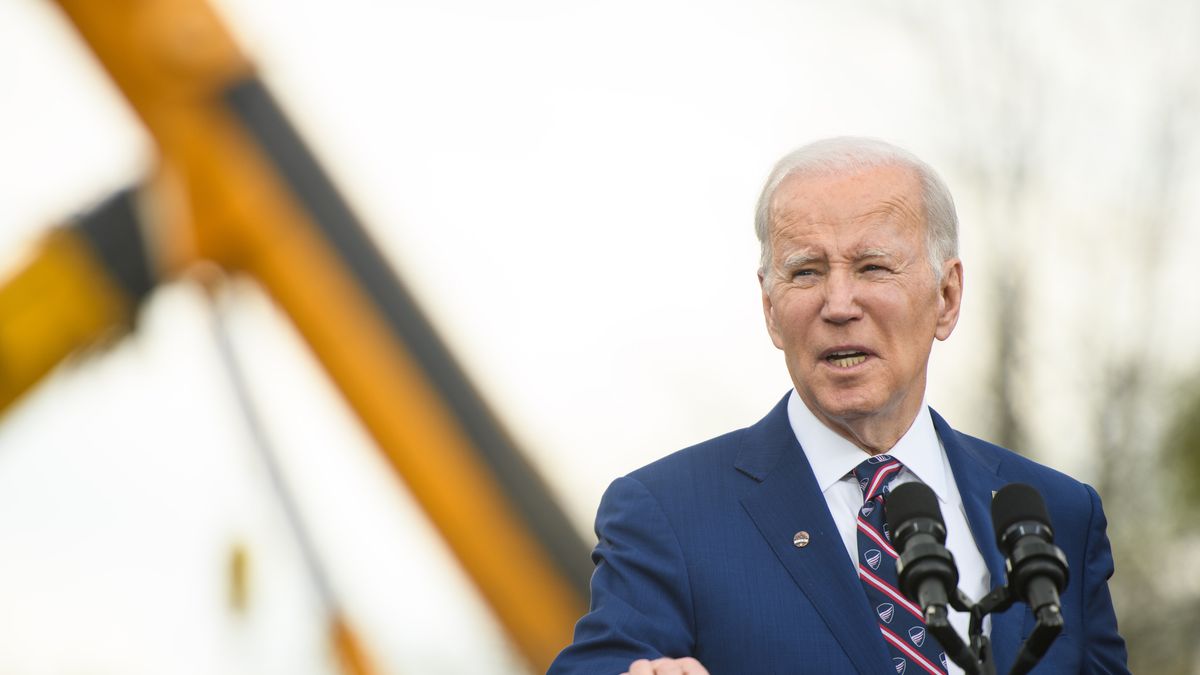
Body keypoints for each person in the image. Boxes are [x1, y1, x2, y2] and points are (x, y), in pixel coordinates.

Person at [548, 137, 1128, 675]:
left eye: (873, 267)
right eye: (806, 271)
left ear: (947, 297)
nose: (839, 303)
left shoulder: (1059, 516)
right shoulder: (670, 515)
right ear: (771, 309)